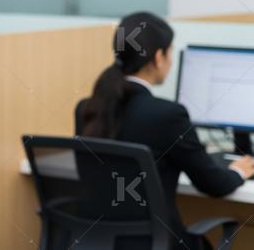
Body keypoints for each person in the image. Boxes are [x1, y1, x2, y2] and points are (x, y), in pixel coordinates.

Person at [75, 12, 254, 248]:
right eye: (170, 52)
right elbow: (213, 184)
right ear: (159, 57)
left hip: (100, 241)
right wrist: (237, 172)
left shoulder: (87, 108)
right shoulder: (168, 115)